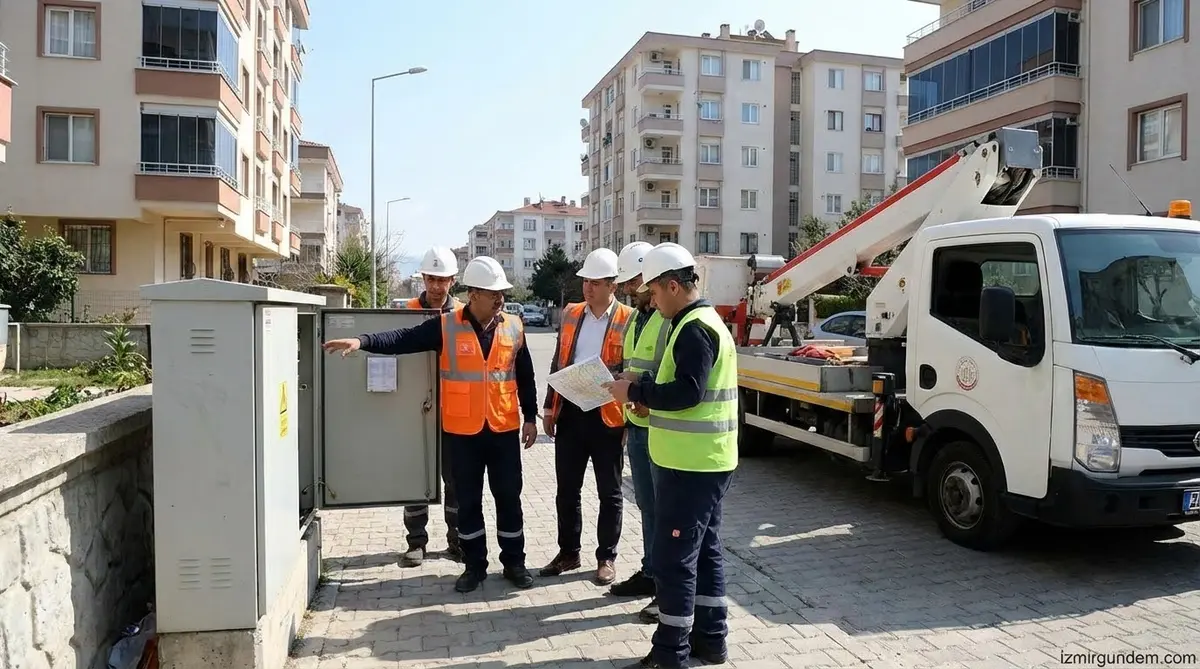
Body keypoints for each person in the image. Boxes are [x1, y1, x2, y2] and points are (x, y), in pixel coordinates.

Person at [322, 256, 539, 593]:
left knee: (509, 499)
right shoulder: (446, 325)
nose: (500, 299)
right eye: (493, 293)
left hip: (503, 430)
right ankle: (474, 566)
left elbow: (525, 375)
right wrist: (361, 342)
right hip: (462, 434)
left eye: (502, 293)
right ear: (474, 294)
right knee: (467, 502)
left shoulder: (514, 326)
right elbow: (403, 339)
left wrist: (530, 416)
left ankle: (514, 563)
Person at [604, 242, 739, 668]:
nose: (652, 300)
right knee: (706, 551)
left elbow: (688, 392)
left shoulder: (693, 328)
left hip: (690, 464)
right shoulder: (703, 321)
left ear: (675, 286)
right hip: (706, 460)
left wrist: (637, 391)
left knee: (674, 560)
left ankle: (670, 653)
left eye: (656, 292)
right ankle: (710, 641)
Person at [540, 247, 635, 586]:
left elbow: (631, 370)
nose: (588, 288)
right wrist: (550, 407)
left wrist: (627, 418)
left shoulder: (629, 319)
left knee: (609, 492)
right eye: (586, 282)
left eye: (596, 282)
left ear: (613, 285)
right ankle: (568, 552)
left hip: (608, 416)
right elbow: (558, 361)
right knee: (567, 489)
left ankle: (606, 557)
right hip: (571, 412)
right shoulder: (571, 314)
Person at [607, 241, 670, 624]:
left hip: (660, 425)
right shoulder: (638, 317)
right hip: (638, 422)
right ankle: (651, 572)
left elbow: (670, 371)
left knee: (664, 511)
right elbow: (635, 361)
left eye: (634, 281)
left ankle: (665, 584)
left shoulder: (668, 317)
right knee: (648, 506)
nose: (630, 289)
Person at [391, 246, 465, 567]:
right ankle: (416, 542)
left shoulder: (463, 314)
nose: (436, 287)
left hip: (454, 413)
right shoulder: (405, 310)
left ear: (452, 280)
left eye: (442, 280)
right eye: (431, 279)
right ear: (423, 278)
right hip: (413, 412)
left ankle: (456, 539)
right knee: (415, 478)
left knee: (456, 481)